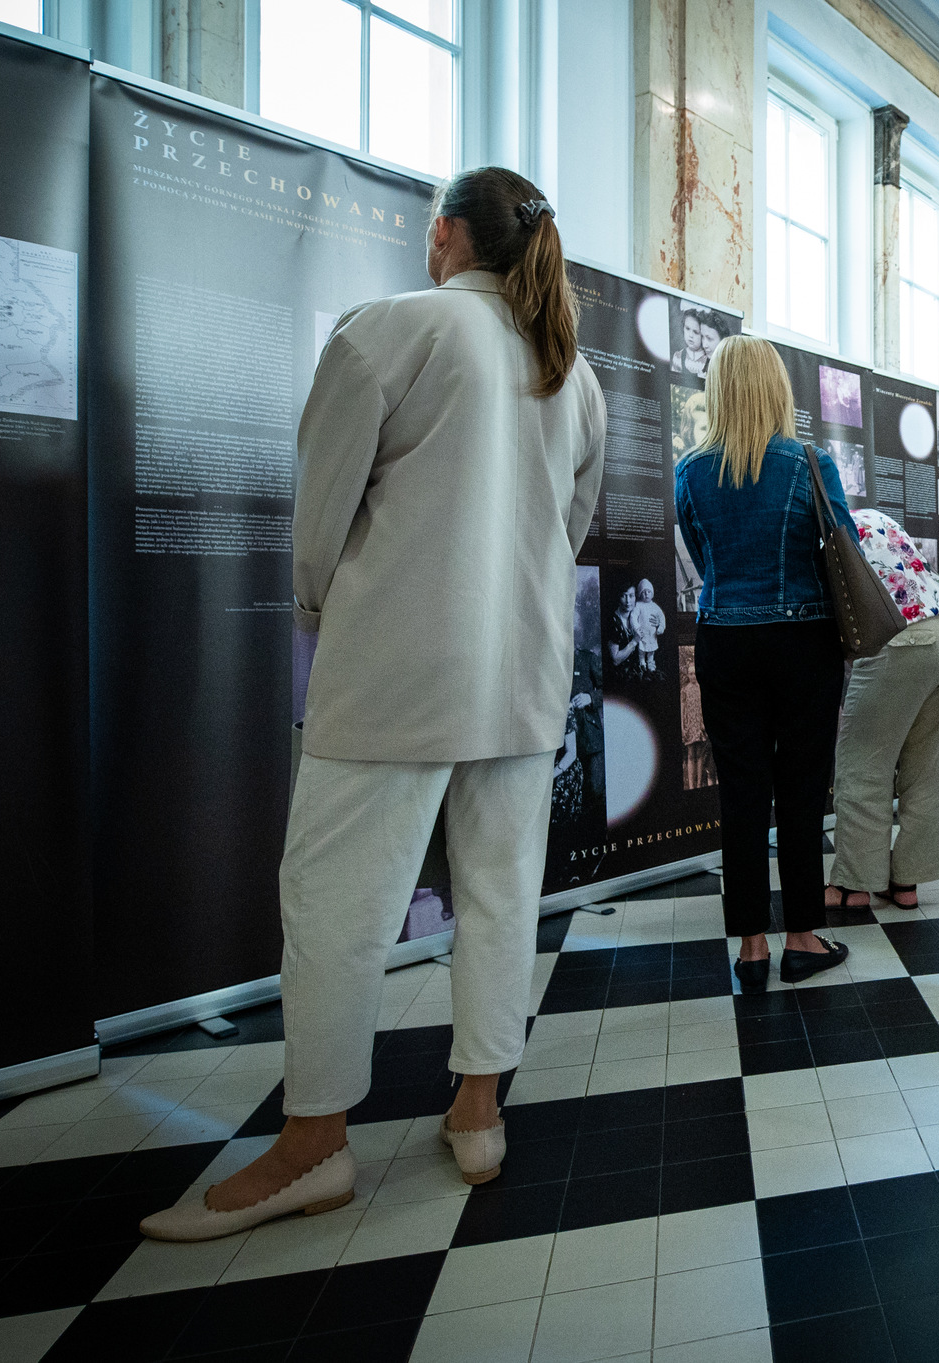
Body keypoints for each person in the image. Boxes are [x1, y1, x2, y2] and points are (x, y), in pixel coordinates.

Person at [139, 168, 606, 1242]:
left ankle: (314, 1143)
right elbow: (568, 530)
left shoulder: (389, 329)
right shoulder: (569, 371)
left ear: (444, 236)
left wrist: (318, 607)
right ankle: (478, 1112)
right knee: (501, 893)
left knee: (337, 903)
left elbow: (322, 510)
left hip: (398, 666)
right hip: (524, 673)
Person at [675, 337, 855, 991]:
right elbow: (845, 545)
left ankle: (751, 948)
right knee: (802, 790)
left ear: (719, 391)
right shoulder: (809, 462)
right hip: (804, 640)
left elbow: (701, 555)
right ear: (778, 388)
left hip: (724, 640)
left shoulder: (690, 471)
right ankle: (802, 938)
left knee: (742, 793)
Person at [825, 510, 939, 913]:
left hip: (904, 637)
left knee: (862, 766)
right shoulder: (874, 516)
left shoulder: (825, 532)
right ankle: (905, 882)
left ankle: (853, 885)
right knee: (928, 769)